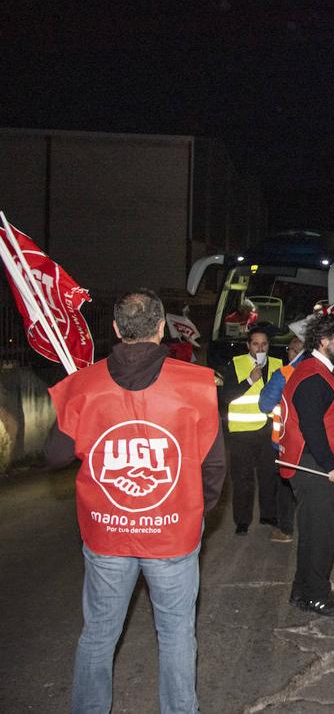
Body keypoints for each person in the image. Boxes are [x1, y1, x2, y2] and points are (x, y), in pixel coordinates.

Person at [43, 289, 225, 713]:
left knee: (99, 633)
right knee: (177, 634)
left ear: (115, 329)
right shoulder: (195, 383)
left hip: (107, 533)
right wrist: (198, 513)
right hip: (174, 533)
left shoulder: (85, 385)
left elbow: (54, 455)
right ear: (162, 328)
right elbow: (214, 466)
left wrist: (77, 408)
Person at [276, 313, 334, 616]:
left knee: (313, 532)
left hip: (310, 464)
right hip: (312, 466)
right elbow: (311, 426)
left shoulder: (319, 371)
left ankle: (301, 592)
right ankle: (317, 596)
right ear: (324, 341)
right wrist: (330, 465)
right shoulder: (313, 375)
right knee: (323, 535)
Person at [217, 324, 282, 535]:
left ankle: (268, 515)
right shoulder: (235, 364)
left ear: (269, 346)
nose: (260, 348)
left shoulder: (278, 365)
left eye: (264, 344)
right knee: (242, 479)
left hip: (269, 430)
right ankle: (242, 521)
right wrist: (249, 380)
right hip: (242, 433)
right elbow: (226, 396)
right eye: (255, 344)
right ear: (248, 346)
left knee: (269, 476)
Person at [257, 335, 306, 543]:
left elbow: (265, 405)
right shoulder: (321, 372)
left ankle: (285, 530)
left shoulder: (284, 374)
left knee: (285, 486)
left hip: (286, 442)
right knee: (309, 490)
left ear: (293, 352)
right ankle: (311, 531)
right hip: (313, 444)